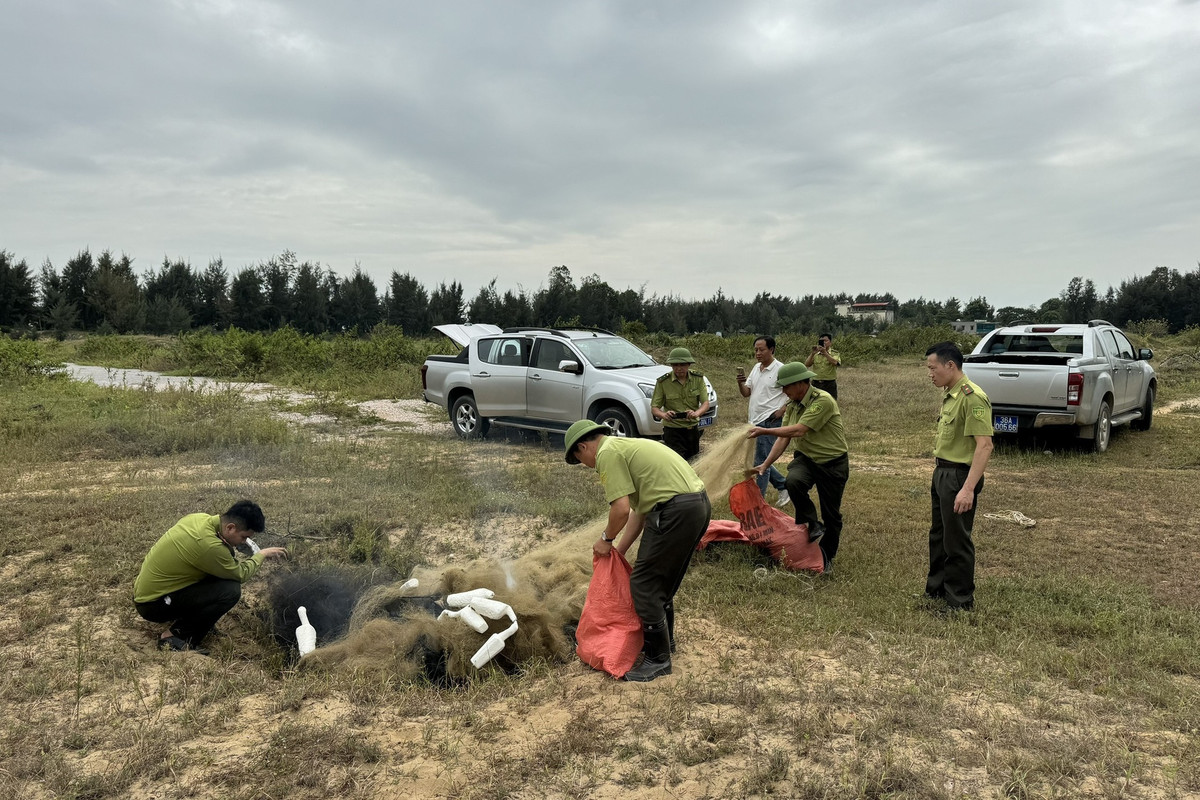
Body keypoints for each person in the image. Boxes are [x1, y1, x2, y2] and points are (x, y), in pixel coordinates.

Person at [564, 418, 711, 682]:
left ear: (583, 448)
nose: (588, 467)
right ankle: (665, 645)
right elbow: (639, 512)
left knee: (644, 585)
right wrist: (618, 551)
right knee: (660, 584)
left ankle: (657, 659)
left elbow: (619, 509)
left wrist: (605, 539)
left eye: (581, 461)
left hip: (674, 511)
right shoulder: (625, 448)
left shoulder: (607, 454)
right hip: (695, 506)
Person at [133, 500, 288, 654]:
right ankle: (175, 637)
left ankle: (199, 621)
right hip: (153, 605)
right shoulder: (209, 546)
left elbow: (221, 559)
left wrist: (232, 547)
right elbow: (241, 574)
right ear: (230, 528)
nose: (244, 541)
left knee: (220, 576)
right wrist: (261, 554)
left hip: (149, 594)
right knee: (230, 591)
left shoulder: (199, 518)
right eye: (243, 537)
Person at [749, 362, 849, 573]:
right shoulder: (793, 405)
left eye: (786, 387)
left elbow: (799, 430)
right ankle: (812, 523)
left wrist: (764, 431)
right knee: (793, 481)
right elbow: (785, 436)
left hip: (832, 463)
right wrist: (765, 465)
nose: (784, 391)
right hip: (806, 459)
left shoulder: (822, 401)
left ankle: (826, 557)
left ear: (801, 383)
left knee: (832, 515)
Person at [923, 341, 993, 612]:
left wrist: (968, 489)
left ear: (950, 365)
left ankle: (960, 601)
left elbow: (984, 446)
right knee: (939, 537)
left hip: (959, 476)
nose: (930, 374)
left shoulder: (971, 396)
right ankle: (936, 592)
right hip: (942, 472)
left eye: (933, 368)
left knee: (957, 541)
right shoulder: (950, 394)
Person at [736, 335, 790, 506]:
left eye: (761, 350)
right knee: (760, 460)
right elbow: (746, 393)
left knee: (761, 462)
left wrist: (782, 409)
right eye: (756, 350)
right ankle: (783, 486)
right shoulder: (755, 368)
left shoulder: (781, 369)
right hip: (754, 421)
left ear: (772, 349)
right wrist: (740, 383)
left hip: (770, 421)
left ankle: (758, 502)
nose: (758, 353)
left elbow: (794, 393)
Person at [651, 347, 710, 461]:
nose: (679, 368)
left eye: (682, 365)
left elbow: (705, 404)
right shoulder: (663, 382)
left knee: (694, 462)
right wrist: (664, 415)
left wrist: (696, 413)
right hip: (673, 430)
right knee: (677, 462)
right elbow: (654, 408)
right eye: (675, 365)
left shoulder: (697, 379)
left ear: (688, 365)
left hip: (691, 429)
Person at [805, 332, 842, 399]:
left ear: (830, 343)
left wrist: (825, 353)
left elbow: (835, 363)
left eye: (826, 341)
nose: (824, 342)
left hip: (829, 383)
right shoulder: (815, 354)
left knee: (831, 402)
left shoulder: (834, 353)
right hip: (816, 383)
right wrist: (812, 354)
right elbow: (807, 364)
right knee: (815, 402)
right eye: (822, 341)